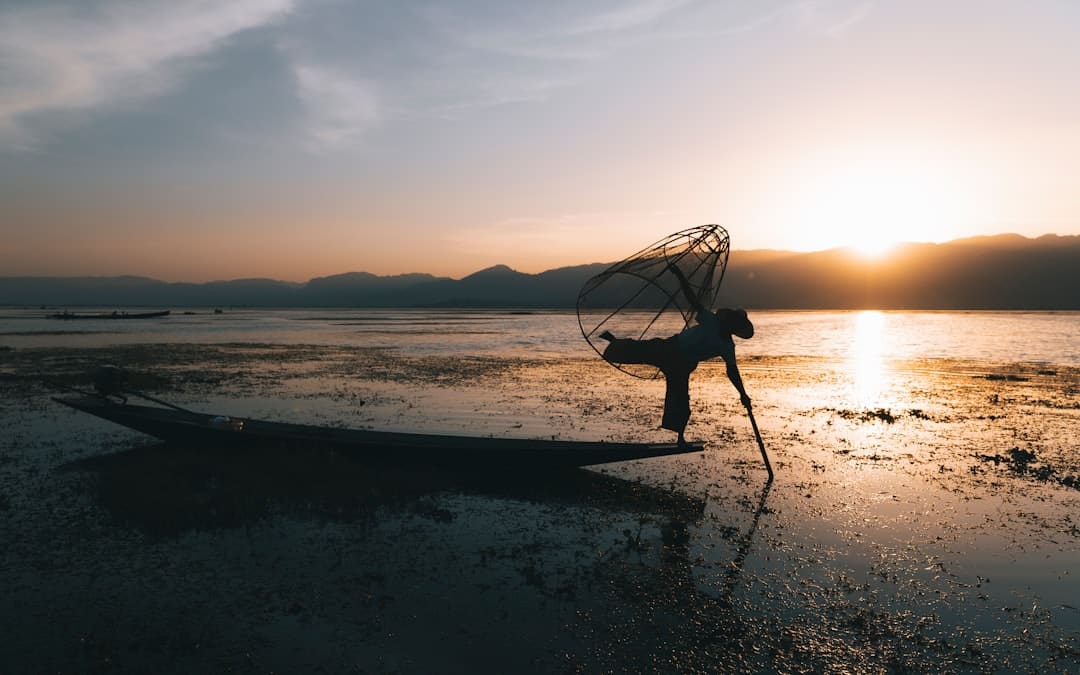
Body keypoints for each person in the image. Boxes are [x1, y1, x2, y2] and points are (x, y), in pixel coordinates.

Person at [598, 263, 754, 446]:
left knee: (681, 400)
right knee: (640, 350)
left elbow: (732, 371)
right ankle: (614, 344)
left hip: (683, 365)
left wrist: (743, 394)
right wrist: (680, 274)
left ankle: (680, 437)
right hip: (671, 348)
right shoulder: (711, 321)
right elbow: (692, 299)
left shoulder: (727, 345)